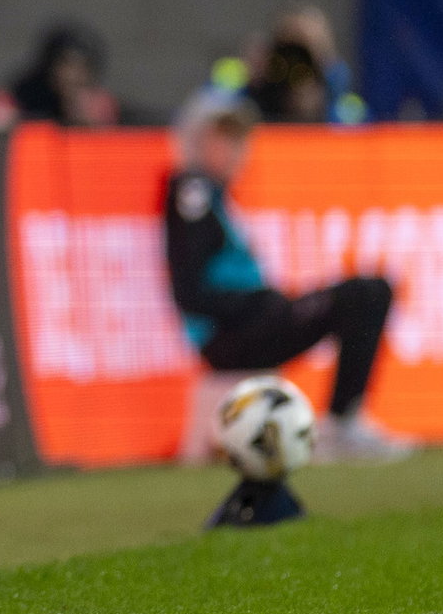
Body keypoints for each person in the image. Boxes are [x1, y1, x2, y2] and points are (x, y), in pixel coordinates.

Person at [164, 90, 414, 461]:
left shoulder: (216, 197)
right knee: (365, 294)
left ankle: (345, 418)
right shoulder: (193, 192)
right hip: (232, 336)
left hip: (252, 323)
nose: (237, 150)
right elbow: (189, 292)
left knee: (370, 291)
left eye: (240, 140)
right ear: (198, 141)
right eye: (225, 139)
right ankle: (343, 422)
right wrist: (258, 303)